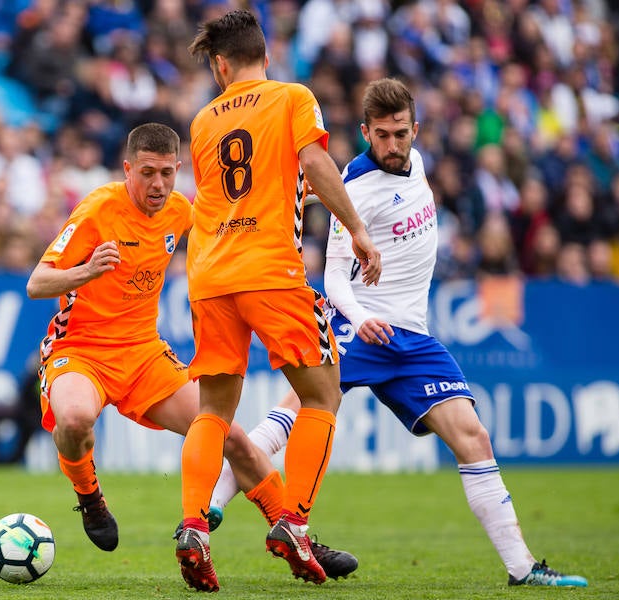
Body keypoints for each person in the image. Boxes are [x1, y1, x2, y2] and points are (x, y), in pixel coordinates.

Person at [209, 77, 588, 588]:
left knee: (473, 435)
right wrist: (361, 319)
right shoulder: (357, 188)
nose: (392, 145)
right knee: (299, 410)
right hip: (358, 326)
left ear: (416, 130)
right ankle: (211, 507)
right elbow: (334, 276)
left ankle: (524, 569)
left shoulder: (418, 163)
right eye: (382, 135)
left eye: (401, 134)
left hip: (413, 338)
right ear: (365, 131)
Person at [25, 122, 356, 578]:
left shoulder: (181, 209)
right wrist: (84, 273)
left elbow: (238, 215)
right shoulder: (98, 209)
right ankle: (90, 496)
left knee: (232, 438)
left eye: (165, 173)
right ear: (127, 170)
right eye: (146, 173)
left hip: (144, 354)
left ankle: (296, 534)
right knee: (76, 419)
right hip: (81, 350)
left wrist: (301, 196)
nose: (157, 184)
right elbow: (36, 283)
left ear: (178, 170)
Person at [176, 9, 381, 592]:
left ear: (220, 65)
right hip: (270, 269)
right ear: (264, 54)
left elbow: (230, 195)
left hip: (210, 275)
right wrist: (358, 229)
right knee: (322, 392)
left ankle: (193, 525)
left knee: (213, 410)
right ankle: (292, 522)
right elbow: (313, 164)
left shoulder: (202, 121)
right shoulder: (292, 96)